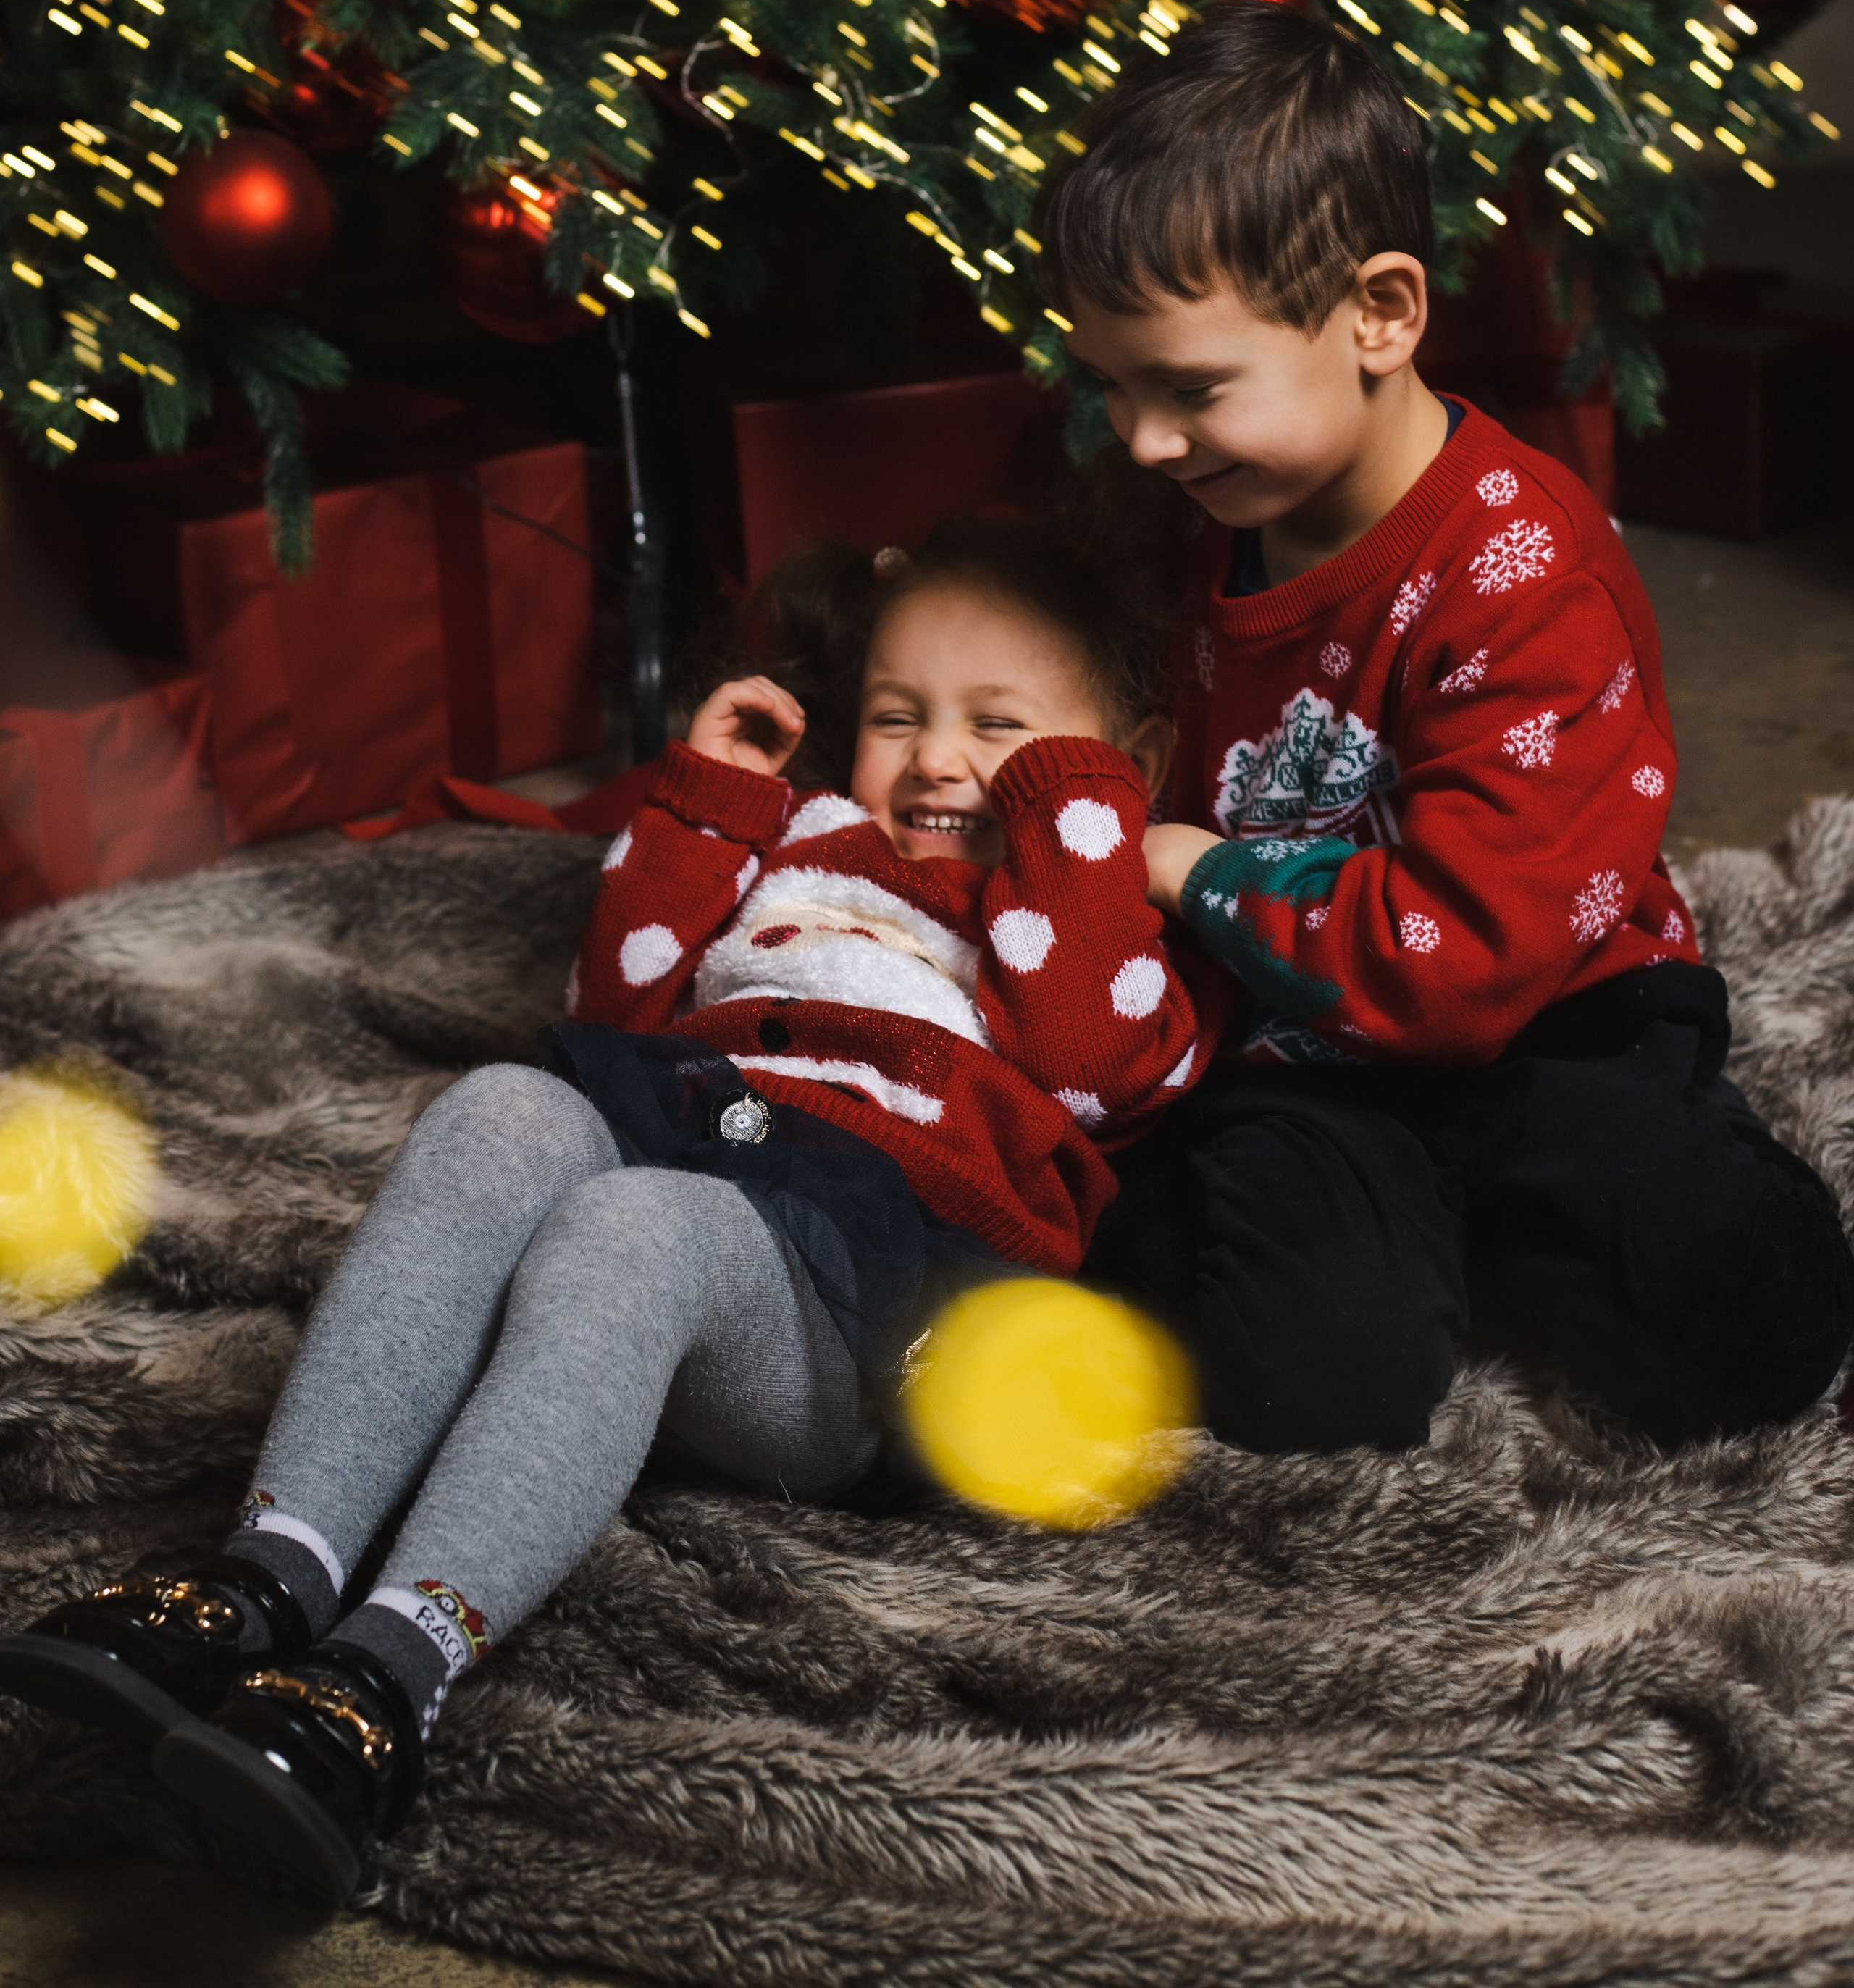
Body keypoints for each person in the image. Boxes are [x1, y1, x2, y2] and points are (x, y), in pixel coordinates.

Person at [0, 516, 1212, 1906]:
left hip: (849, 1308)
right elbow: (620, 1006)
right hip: (696, 1133)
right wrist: (709, 804)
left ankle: (380, 1686)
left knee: (633, 1226)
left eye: (1000, 727)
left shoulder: (1101, 940)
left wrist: (1078, 804)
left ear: (1114, 772)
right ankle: (263, 1581)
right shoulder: (807, 846)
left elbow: (1089, 1061)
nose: (941, 759)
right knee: (500, 1107)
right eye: (899, 716)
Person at [1044, 0, 1853, 1459]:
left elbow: (1472, 960)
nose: (1144, 439)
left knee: (1743, 1318)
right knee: (1301, 1381)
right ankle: (1398, 1246)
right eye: (1112, 385)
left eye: (1189, 389)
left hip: (1551, 1018)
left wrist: (1194, 870)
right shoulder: (1184, 521)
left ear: (1380, 315)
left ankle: (1524, 1228)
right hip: (1303, 1046)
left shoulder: (1521, 570)